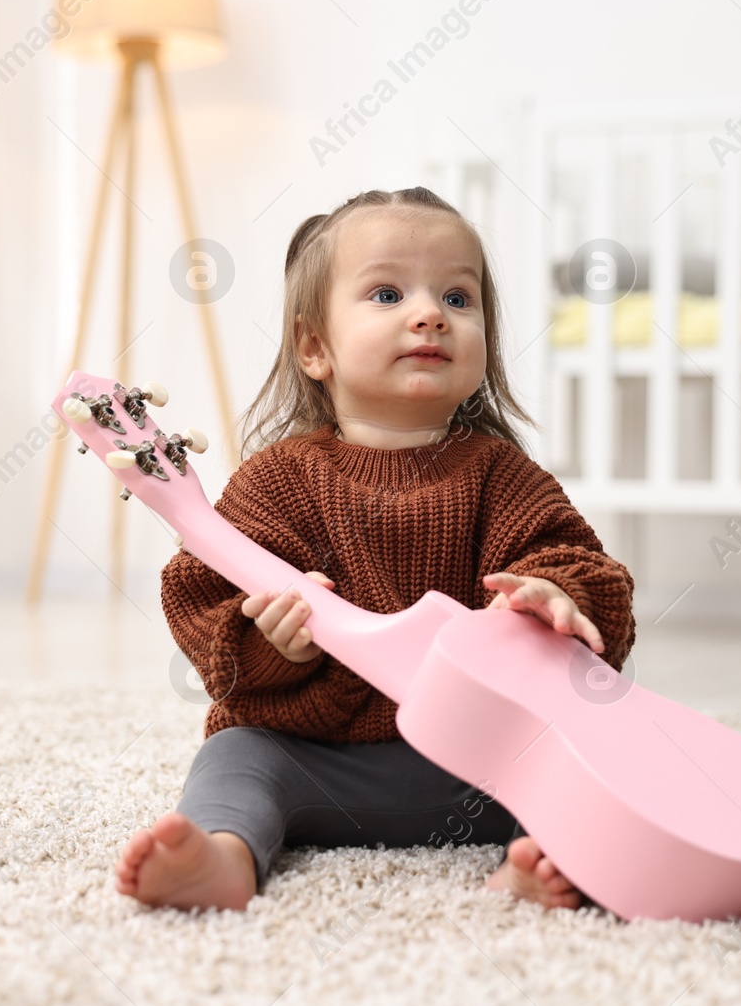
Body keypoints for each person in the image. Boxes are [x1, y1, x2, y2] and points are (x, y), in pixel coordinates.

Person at [113, 187, 636, 912]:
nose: (429, 314)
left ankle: (544, 862)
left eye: (458, 297)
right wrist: (273, 644)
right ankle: (224, 855)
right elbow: (205, 608)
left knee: (572, 757)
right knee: (235, 758)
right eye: (388, 293)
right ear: (314, 346)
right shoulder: (278, 479)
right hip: (318, 764)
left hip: (478, 768)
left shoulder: (500, 474)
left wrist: (557, 596)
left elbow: (583, 564)